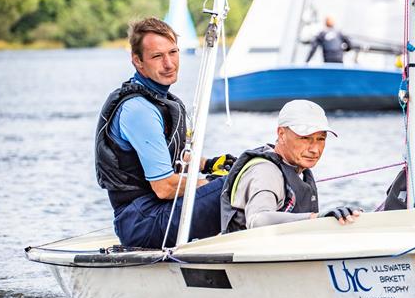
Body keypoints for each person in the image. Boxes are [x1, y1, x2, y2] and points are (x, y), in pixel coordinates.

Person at [95, 17, 234, 249]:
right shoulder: (139, 110)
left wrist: (209, 164)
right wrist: (210, 181)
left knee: (249, 167)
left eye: (173, 52)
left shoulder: (161, 101)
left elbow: (172, 157)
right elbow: (164, 186)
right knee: (243, 181)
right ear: (138, 61)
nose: (169, 64)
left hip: (157, 213)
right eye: (157, 56)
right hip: (144, 221)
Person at [221, 99, 361, 232]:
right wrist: (316, 218)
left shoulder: (297, 168)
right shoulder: (265, 171)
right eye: (305, 138)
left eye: (321, 139)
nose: (315, 149)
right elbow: (258, 220)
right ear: (281, 134)